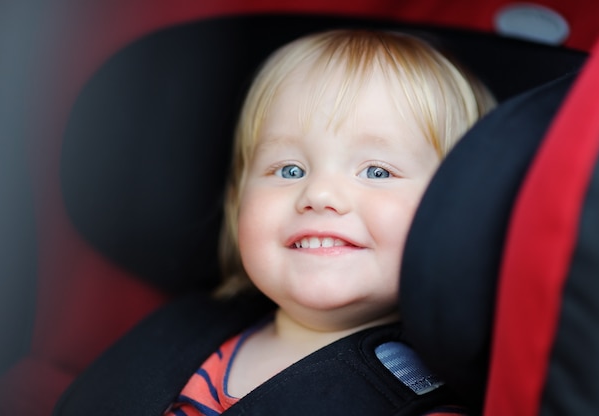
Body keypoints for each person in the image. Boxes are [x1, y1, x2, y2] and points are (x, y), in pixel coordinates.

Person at [163, 29, 496, 416]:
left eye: (376, 172)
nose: (319, 195)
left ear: (458, 212)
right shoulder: (179, 349)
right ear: (238, 201)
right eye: (289, 169)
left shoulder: (426, 403)